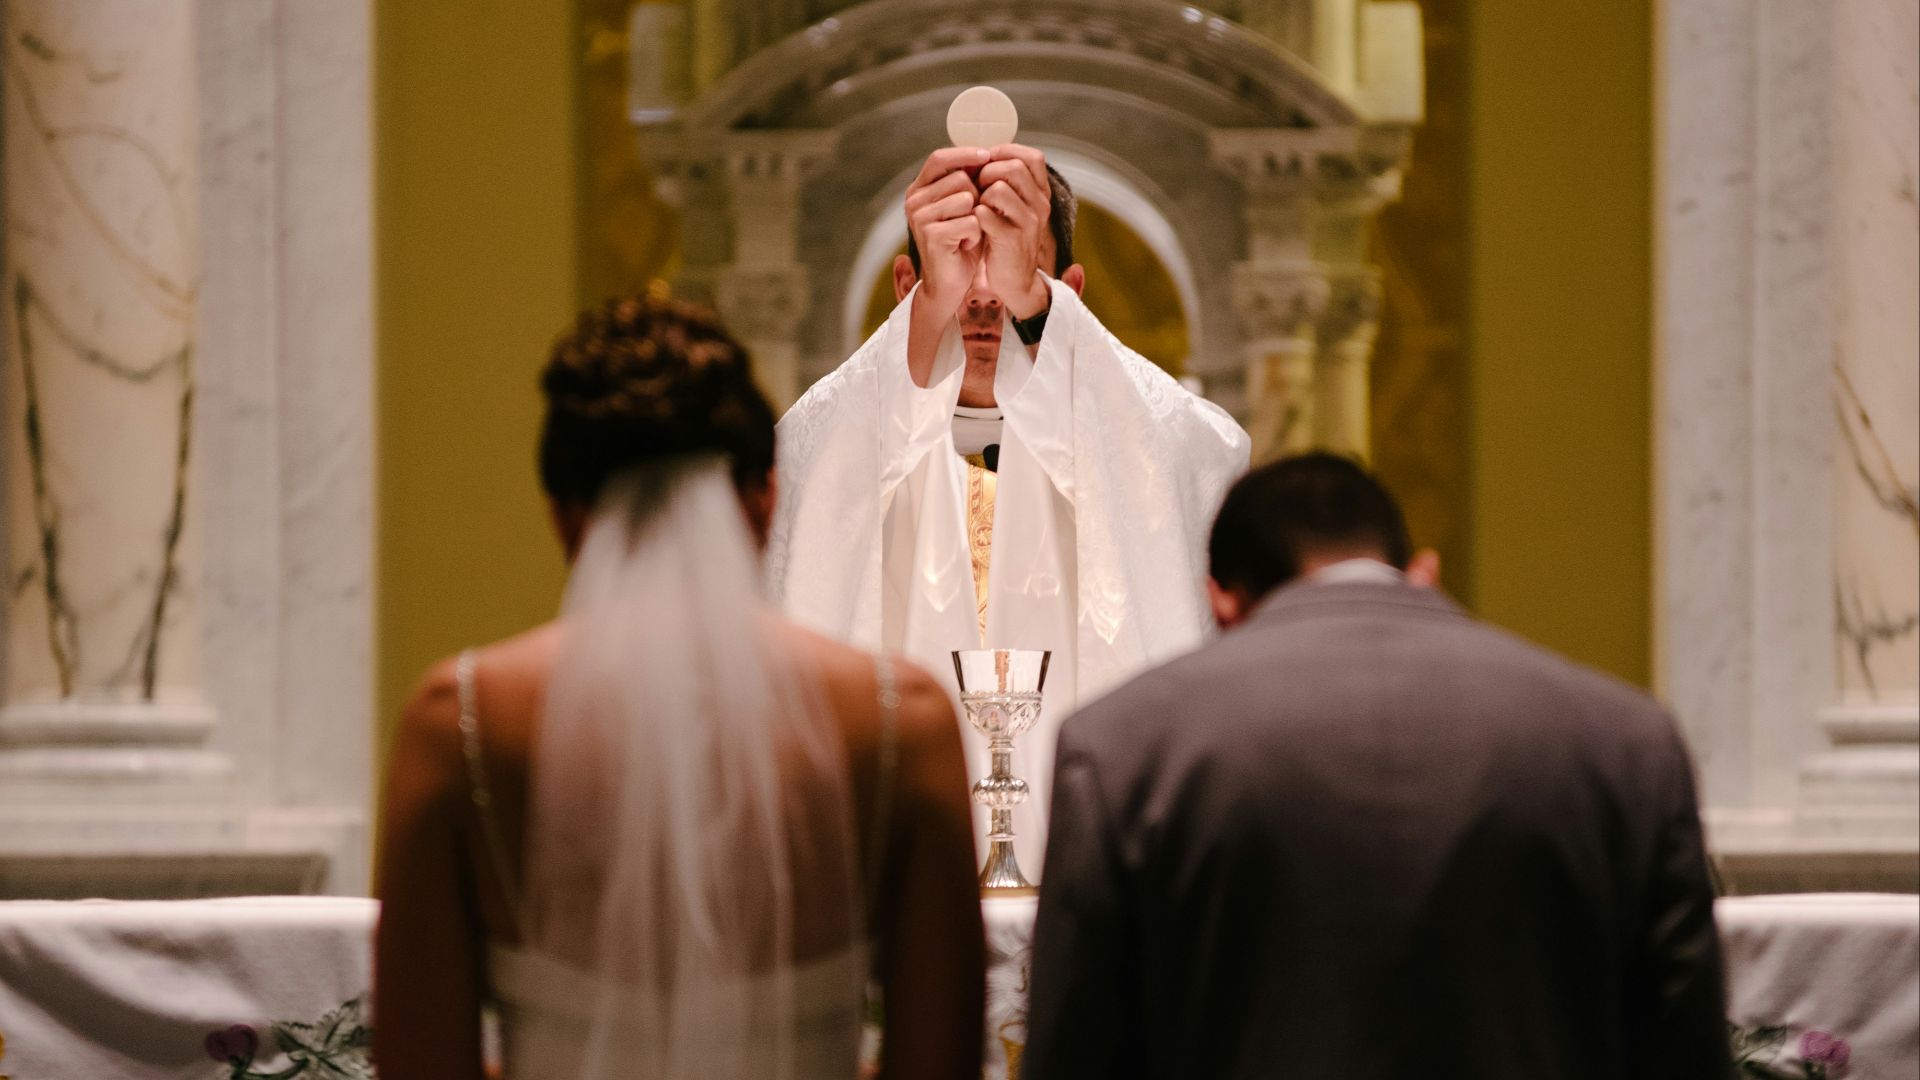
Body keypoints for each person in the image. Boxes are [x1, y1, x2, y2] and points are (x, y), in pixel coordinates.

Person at [374, 295, 985, 1080]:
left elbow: (420, 1066)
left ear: (564, 516)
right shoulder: (903, 721)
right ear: (765, 497)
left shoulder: (459, 721)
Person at [1022, 453, 1732, 1080]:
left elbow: (1081, 1052)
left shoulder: (1122, 745)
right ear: (1422, 572)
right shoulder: (1627, 739)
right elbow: (1683, 1051)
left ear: (1222, 601)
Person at [769, 143, 1250, 880]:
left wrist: (1040, 311)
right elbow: (806, 476)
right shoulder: (852, 435)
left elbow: (1202, 454)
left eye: (1013, 267)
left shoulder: (1121, 430)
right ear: (907, 283)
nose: (985, 295)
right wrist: (936, 306)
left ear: (1070, 293)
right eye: (959, 262)